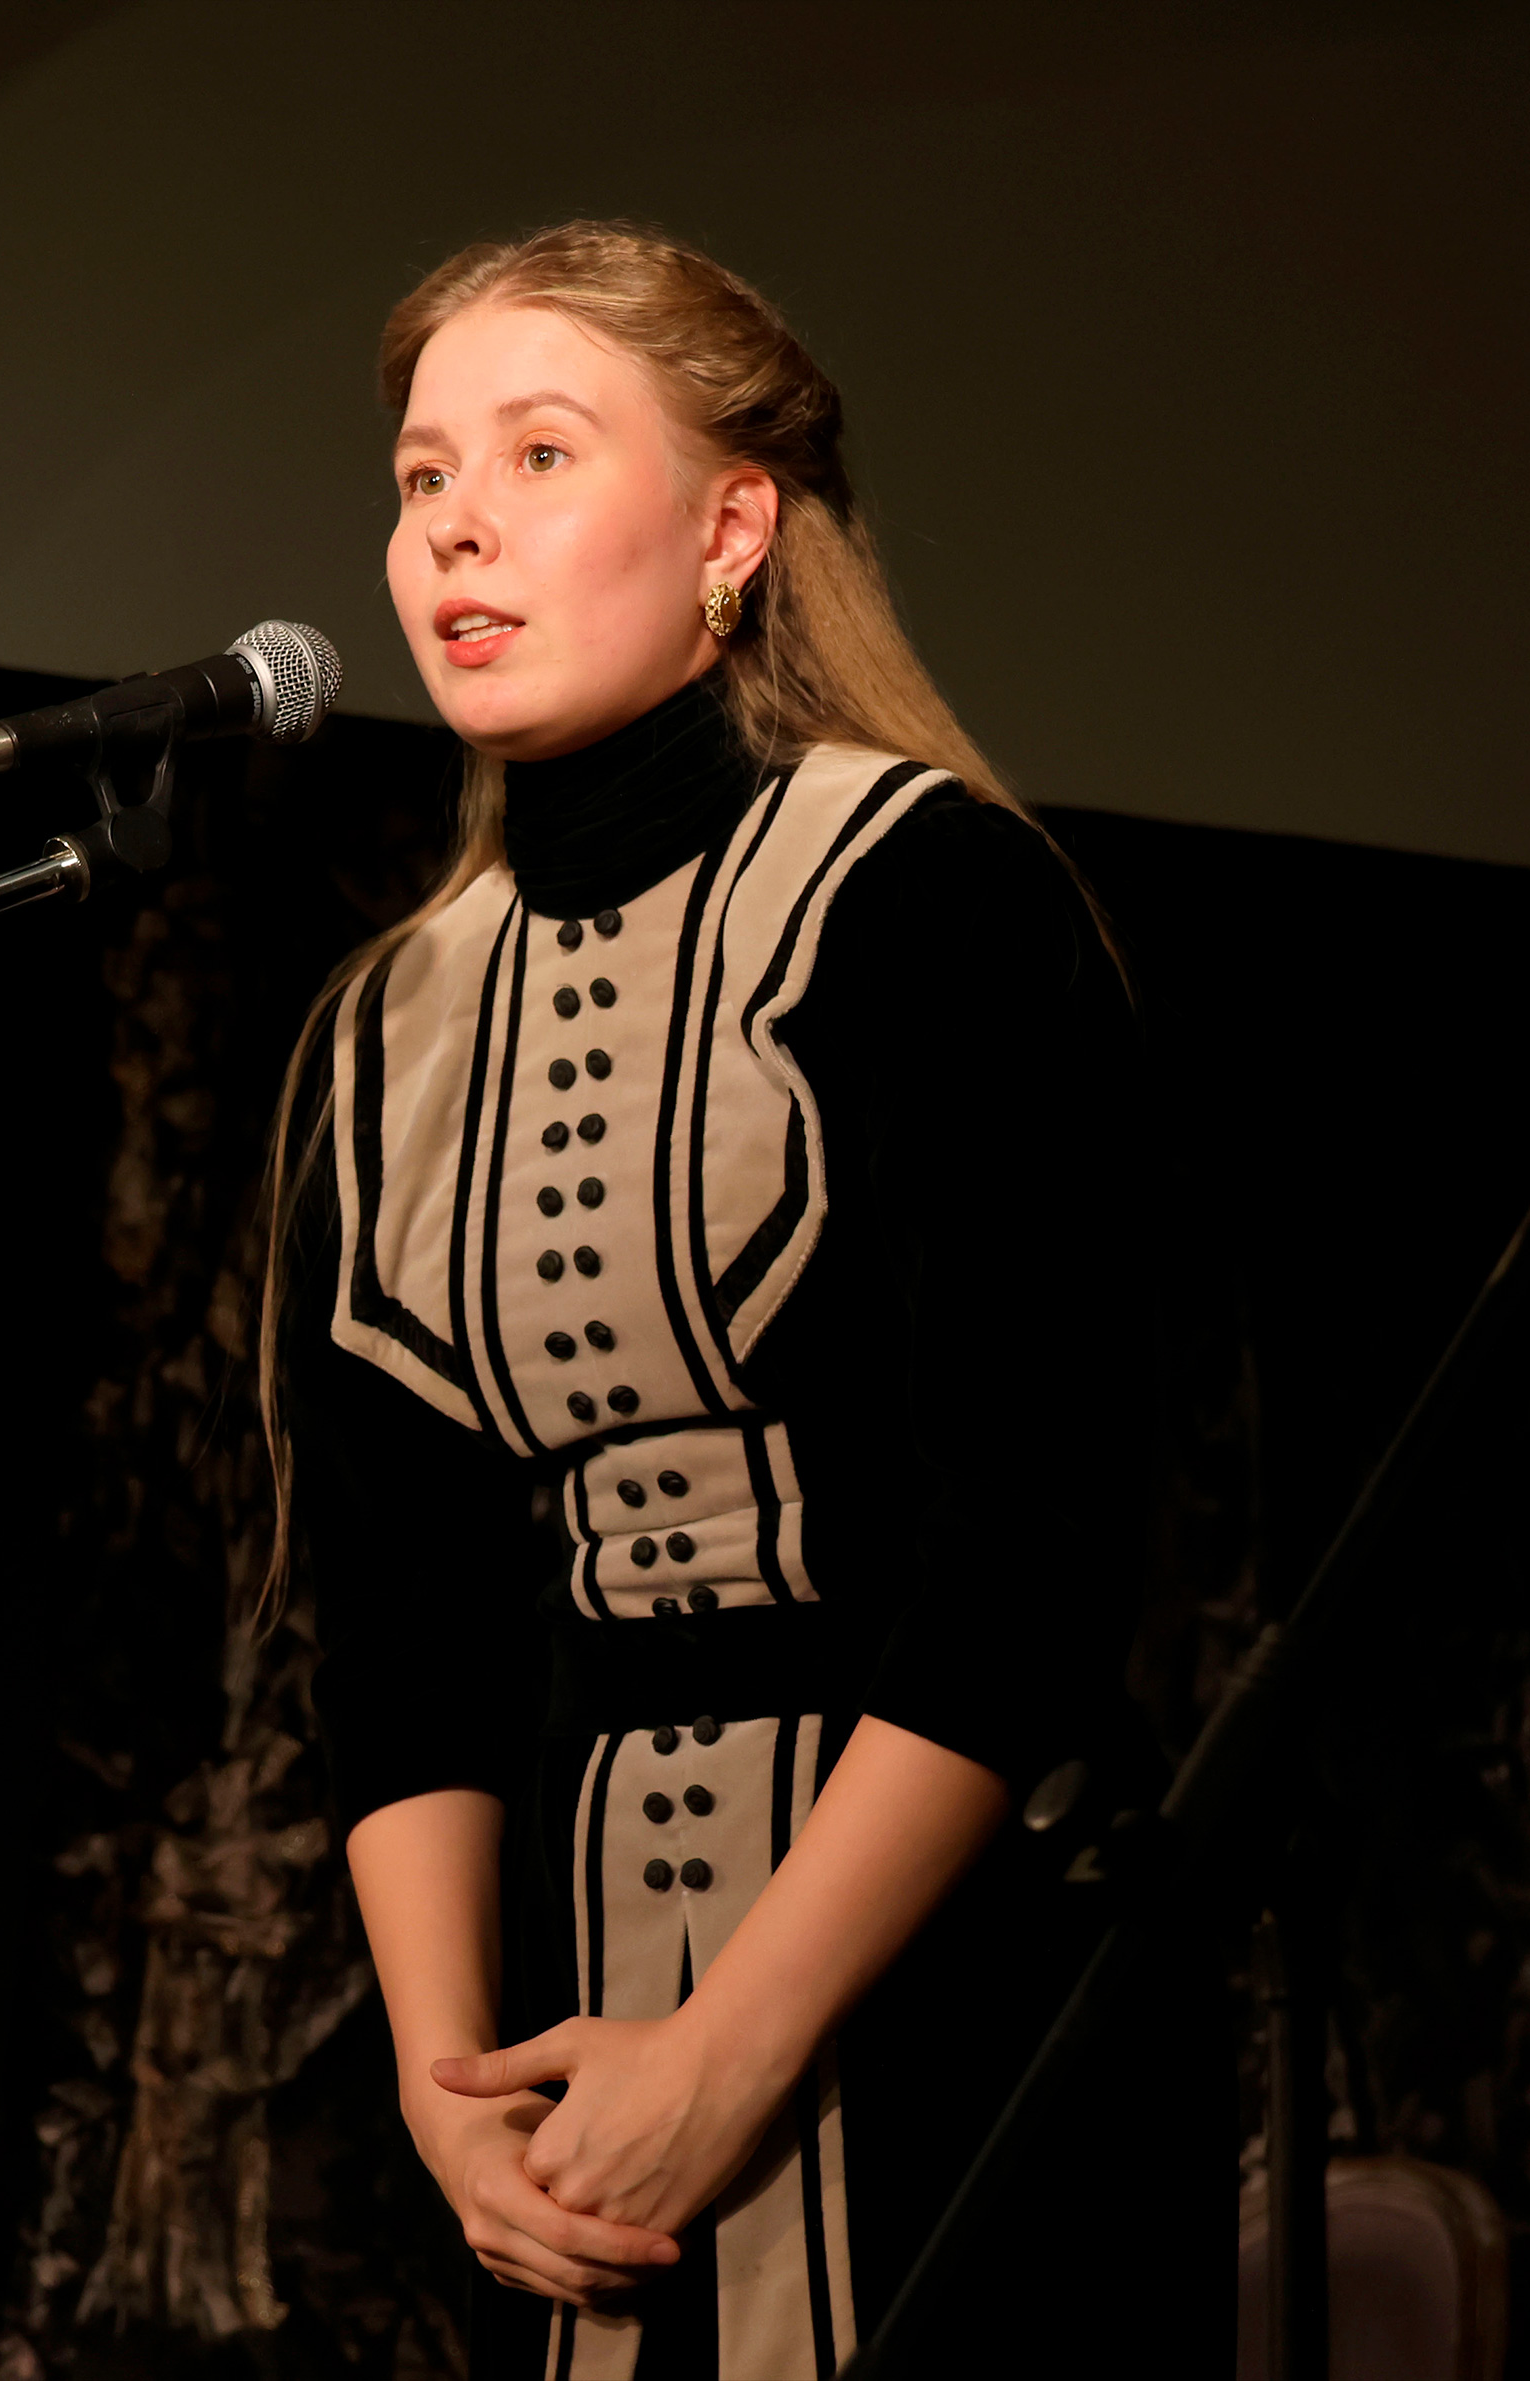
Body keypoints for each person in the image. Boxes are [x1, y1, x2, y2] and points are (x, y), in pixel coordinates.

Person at [264, 221, 1177, 2379]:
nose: (454, 523)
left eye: (538, 454)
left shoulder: (929, 895)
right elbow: (397, 1624)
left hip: (950, 1997)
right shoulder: (388, 1027)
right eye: (419, 477)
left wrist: (734, 2048)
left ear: (731, 531)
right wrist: (447, 2092)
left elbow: (1034, 1555)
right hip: (559, 2044)